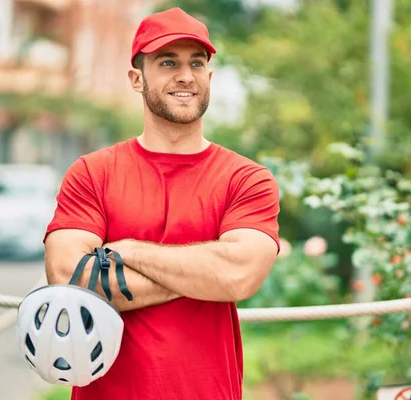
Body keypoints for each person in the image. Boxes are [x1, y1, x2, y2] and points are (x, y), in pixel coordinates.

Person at [43, 7, 280, 400]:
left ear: (209, 76)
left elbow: (239, 275)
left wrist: (129, 251)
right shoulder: (92, 173)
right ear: (137, 78)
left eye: (197, 63)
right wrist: (204, 277)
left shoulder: (246, 179)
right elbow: (69, 277)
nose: (185, 75)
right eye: (168, 62)